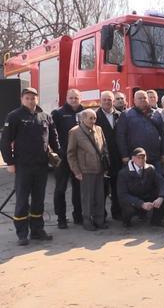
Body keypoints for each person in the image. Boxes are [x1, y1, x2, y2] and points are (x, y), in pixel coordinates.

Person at [1, 87, 60, 246]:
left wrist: (59, 158)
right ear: (22, 99)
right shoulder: (14, 116)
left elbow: (54, 140)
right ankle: (22, 233)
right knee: (22, 200)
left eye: (33, 98)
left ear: (37, 99)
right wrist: (10, 162)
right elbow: (5, 142)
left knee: (39, 200)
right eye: (27, 98)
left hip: (41, 166)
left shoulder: (45, 116)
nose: (30, 100)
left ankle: (37, 230)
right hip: (23, 166)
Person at [67, 109, 109, 231]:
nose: (93, 120)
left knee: (100, 197)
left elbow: (104, 147)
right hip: (86, 170)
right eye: (90, 118)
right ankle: (87, 221)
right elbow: (71, 154)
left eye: (94, 118)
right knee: (88, 198)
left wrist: (106, 166)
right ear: (83, 119)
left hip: (99, 169)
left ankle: (99, 220)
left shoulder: (99, 129)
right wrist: (76, 171)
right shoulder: (75, 132)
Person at [52, 88, 84, 229]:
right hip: (63, 158)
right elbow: (52, 135)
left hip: (80, 158)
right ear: (66, 98)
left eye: (76, 98)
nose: (73, 100)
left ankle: (78, 216)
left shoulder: (86, 113)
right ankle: (61, 218)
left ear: (80, 98)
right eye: (71, 98)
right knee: (60, 189)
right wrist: (58, 152)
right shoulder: (58, 113)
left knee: (79, 189)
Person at [117, 148, 164, 228]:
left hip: (146, 196)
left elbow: (163, 182)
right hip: (133, 200)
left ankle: (156, 221)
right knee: (128, 208)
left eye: (143, 157)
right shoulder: (123, 173)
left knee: (163, 195)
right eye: (139, 157)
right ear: (133, 158)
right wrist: (141, 204)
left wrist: (161, 197)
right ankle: (126, 221)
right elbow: (123, 195)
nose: (141, 160)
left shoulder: (151, 168)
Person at [116, 90, 164, 170]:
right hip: (135, 158)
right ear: (134, 100)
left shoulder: (156, 114)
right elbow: (120, 136)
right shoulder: (126, 114)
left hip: (154, 158)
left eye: (144, 98)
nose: (143, 100)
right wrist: (124, 155)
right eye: (140, 98)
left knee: (158, 181)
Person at [95, 91, 122, 220]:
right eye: (104, 99)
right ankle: (101, 216)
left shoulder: (120, 115)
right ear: (100, 100)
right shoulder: (94, 116)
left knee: (117, 188)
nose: (107, 102)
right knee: (102, 190)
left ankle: (117, 212)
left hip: (117, 157)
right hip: (102, 158)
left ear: (113, 101)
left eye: (109, 100)